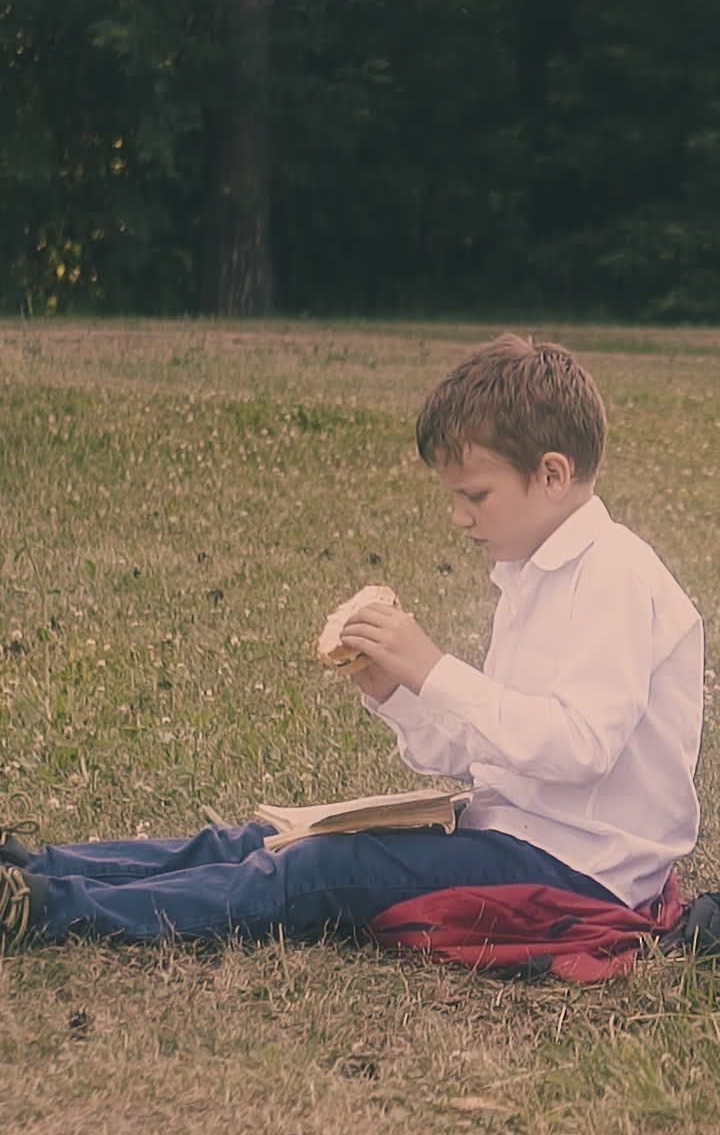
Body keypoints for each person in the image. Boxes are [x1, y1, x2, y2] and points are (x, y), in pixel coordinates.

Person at [0, 334, 704, 952]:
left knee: (317, 871)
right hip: (510, 828)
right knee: (267, 838)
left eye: (475, 495)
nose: (458, 517)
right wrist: (396, 694)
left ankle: (55, 910)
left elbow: (580, 750)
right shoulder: (531, 574)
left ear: (551, 474)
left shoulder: (616, 576)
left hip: (582, 869)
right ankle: (42, 867)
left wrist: (433, 669)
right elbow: (479, 752)